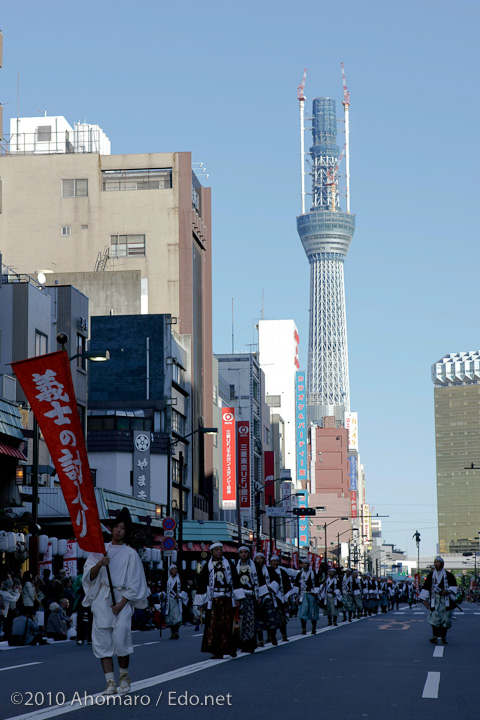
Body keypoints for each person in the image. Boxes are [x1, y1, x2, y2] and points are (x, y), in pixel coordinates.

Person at [82, 507, 149, 695]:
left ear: (126, 531)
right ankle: (110, 682)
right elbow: (88, 577)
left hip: (123, 599)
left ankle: (124, 677)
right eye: (116, 527)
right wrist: (100, 563)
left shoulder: (131, 554)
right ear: (111, 529)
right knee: (102, 642)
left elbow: (135, 582)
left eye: (122, 527)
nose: (118, 530)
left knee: (120, 639)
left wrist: (122, 603)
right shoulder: (100, 551)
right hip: (103, 599)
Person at [194, 542, 245, 659]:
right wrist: (200, 602)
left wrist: (238, 597)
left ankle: (231, 649)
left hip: (227, 598)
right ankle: (217, 650)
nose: (219, 552)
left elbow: (236, 580)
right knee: (214, 625)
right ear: (211, 552)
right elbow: (202, 584)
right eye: (216, 550)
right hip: (214, 599)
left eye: (220, 549)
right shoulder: (208, 566)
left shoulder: (229, 565)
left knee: (229, 624)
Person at [236, 545, 268, 653]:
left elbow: (260, 580)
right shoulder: (236, 566)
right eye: (241, 552)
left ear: (249, 554)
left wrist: (259, 596)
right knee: (239, 621)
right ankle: (240, 643)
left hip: (250, 595)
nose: (243, 554)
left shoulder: (254, 566)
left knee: (250, 620)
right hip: (239, 596)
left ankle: (250, 644)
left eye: (245, 552)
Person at [419, 556, 457, 645]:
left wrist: (447, 591)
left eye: (438, 562)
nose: (436, 564)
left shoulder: (449, 575)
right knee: (434, 618)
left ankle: (443, 637)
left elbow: (454, 586)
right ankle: (435, 637)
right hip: (434, 599)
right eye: (435, 562)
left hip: (445, 600)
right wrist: (425, 600)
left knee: (446, 619)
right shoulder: (431, 575)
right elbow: (426, 587)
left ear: (442, 564)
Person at [254, 552, 279, 646]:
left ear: (264, 560)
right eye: (257, 558)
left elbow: (277, 580)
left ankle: (272, 635)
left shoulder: (270, 570)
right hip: (256, 596)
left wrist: (270, 587)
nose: (259, 560)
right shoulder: (253, 570)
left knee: (271, 618)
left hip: (267, 596)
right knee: (258, 619)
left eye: (261, 558)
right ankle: (260, 639)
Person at [268, 555, 294, 642]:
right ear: (270, 562)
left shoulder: (282, 572)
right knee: (270, 618)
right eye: (273, 561)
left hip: (280, 598)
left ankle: (284, 635)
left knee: (282, 618)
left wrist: (287, 598)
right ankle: (271, 636)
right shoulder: (267, 571)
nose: (275, 563)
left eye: (276, 561)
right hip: (269, 597)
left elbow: (287, 585)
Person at [294, 558, 320, 635]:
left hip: (311, 594)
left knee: (313, 612)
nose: (304, 565)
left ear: (308, 565)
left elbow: (317, 584)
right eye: (303, 563)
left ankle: (313, 628)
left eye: (306, 563)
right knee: (302, 612)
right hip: (302, 595)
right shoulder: (299, 574)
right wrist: (296, 596)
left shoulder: (313, 574)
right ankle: (304, 628)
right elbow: (296, 585)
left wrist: (316, 594)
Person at [164, 565, 182, 639]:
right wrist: (162, 594)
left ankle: (176, 632)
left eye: (175, 569)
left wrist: (180, 595)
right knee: (170, 618)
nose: (174, 570)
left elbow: (184, 589)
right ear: (170, 571)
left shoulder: (180, 579)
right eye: (173, 569)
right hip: (169, 600)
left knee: (176, 617)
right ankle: (172, 633)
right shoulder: (167, 579)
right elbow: (163, 588)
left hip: (177, 600)